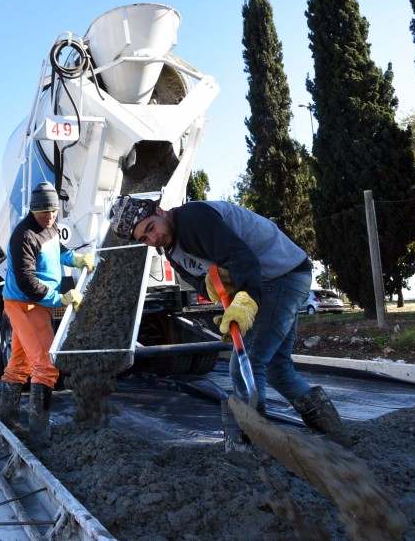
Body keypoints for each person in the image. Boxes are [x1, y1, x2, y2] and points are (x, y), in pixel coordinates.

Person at [109, 194, 352, 452]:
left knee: (247, 363)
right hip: (273, 278)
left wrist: (245, 300)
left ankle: (248, 450)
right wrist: (215, 289)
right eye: (144, 239)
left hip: (282, 275)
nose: (153, 238)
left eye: (150, 227)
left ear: (159, 211)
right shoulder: (172, 251)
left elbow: (241, 258)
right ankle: (335, 437)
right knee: (277, 369)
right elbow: (201, 281)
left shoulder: (192, 220)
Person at [0, 181, 95, 440]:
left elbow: (56, 251)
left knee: (20, 363)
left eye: (53, 212)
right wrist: (59, 298)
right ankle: (40, 432)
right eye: (44, 213)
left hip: (33, 303)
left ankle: (8, 421)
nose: (50, 217)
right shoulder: (24, 235)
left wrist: (74, 258)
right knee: (46, 364)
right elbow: (27, 282)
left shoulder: (49, 227)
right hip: (26, 304)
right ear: (33, 210)